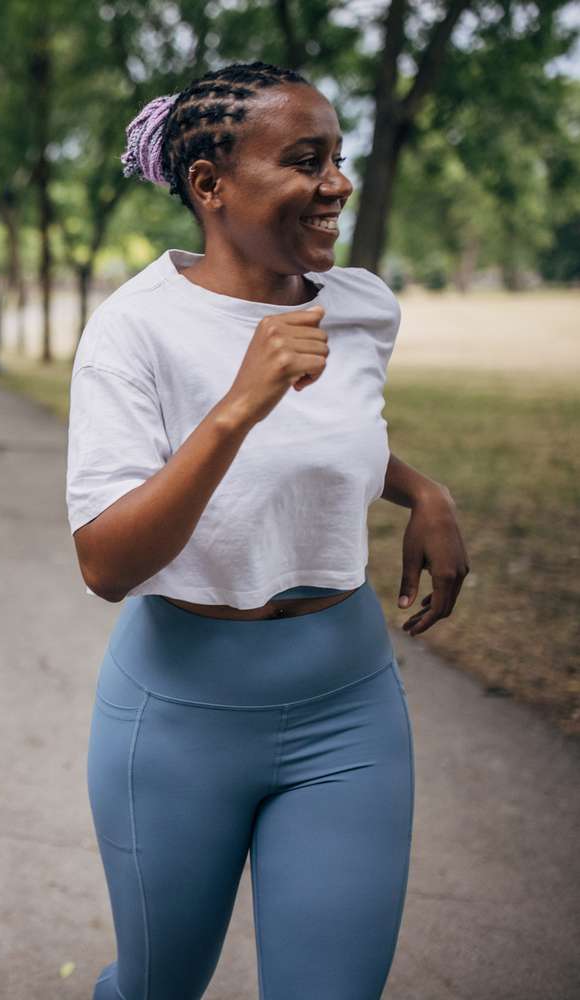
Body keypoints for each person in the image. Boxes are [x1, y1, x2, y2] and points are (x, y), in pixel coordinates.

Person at [67, 63, 469, 999]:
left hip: (347, 699)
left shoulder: (361, 305)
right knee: (156, 989)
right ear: (210, 186)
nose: (335, 183)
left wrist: (422, 490)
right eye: (304, 160)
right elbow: (104, 562)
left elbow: (331, 444)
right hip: (179, 709)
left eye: (337, 158)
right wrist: (235, 406)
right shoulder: (134, 331)